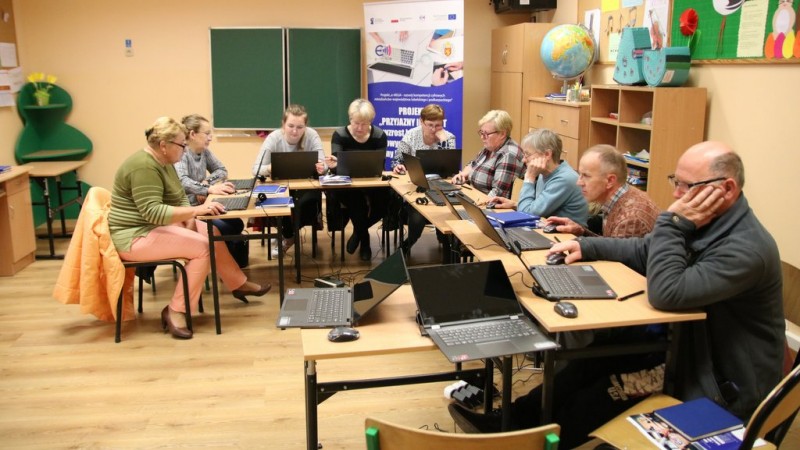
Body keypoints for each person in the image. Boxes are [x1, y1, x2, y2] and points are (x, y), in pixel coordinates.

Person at [448, 141, 785, 448]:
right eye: (676, 181)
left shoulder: (745, 248)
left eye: (687, 186)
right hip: (683, 348)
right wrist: (585, 245)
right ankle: (510, 425)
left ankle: (535, 442)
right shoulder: (708, 222)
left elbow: (666, 293)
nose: (677, 193)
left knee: (603, 393)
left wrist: (672, 223)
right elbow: (643, 249)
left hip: (718, 387)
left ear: (726, 189)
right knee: (587, 362)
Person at [108, 117, 271, 340]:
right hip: (134, 236)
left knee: (211, 232)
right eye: (181, 145)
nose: (184, 150)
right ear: (163, 145)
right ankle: (175, 310)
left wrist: (191, 218)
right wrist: (195, 211)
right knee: (204, 248)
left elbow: (179, 196)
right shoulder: (143, 167)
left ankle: (238, 284)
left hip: (152, 226)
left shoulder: (164, 162)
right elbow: (153, 212)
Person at [252, 105, 326, 254]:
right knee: (279, 202)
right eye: (290, 126)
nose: (294, 131)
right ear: (283, 124)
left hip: (305, 186)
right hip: (279, 187)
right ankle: (289, 236)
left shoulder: (312, 135)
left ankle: (287, 235)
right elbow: (255, 169)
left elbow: (323, 164)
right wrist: (269, 168)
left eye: (300, 127)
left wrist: (322, 167)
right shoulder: (273, 138)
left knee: (306, 204)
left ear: (305, 126)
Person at [544, 144, 660, 238]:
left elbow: (614, 258)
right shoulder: (620, 198)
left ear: (610, 180)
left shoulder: (631, 219)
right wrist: (581, 232)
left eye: (586, 176)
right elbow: (609, 247)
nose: (579, 182)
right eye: (580, 175)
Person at [326, 98, 389, 261]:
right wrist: (334, 165)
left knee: (385, 203)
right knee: (357, 203)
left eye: (364, 124)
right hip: (347, 184)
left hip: (371, 181)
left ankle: (358, 232)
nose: (360, 128)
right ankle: (365, 242)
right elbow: (336, 165)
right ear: (350, 119)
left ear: (371, 121)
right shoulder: (340, 135)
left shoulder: (379, 135)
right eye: (356, 123)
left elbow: (379, 165)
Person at [174, 114, 245, 256]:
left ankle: (224, 259)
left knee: (237, 223)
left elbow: (222, 170)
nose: (210, 138)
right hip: (189, 209)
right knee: (226, 227)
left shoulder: (204, 151)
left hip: (204, 203)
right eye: (207, 134)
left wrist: (206, 183)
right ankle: (216, 258)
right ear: (192, 134)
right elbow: (182, 181)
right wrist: (207, 189)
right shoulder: (182, 153)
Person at [391, 104, 456, 255]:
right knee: (417, 218)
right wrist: (398, 166)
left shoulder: (448, 138)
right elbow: (397, 160)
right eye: (430, 125)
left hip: (440, 187)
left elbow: (450, 168)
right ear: (421, 121)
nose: (433, 129)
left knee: (447, 214)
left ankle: (448, 250)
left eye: (438, 125)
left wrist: (443, 143)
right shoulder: (411, 135)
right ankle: (407, 245)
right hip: (416, 187)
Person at [489, 128, 588, 225]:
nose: (523, 160)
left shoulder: (564, 179)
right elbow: (535, 208)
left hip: (567, 234)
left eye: (527, 154)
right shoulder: (543, 173)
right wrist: (515, 205)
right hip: (547, 227)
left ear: (547, 154)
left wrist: (529, 178)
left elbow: (526, 214)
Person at [451, 110, 524, 199]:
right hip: (475, 197)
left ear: (502, 134)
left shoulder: (508, 155)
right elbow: (473, 164)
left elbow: (497, 196)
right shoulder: (491, 147)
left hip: (487, 204)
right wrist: (463, 174)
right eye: (481, 133)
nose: (482, 137)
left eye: (486, 134)